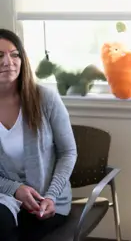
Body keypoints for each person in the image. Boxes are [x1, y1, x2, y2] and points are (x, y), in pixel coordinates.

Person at [0, 29, 78, 241]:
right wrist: (15, 189)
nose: (8, 62)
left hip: (46, 200)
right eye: (0, 55)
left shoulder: (45, 99)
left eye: (14, 54)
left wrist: (51, 196)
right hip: (5, 196)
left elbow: (68, 152)